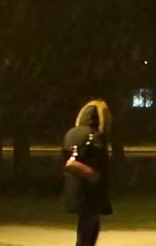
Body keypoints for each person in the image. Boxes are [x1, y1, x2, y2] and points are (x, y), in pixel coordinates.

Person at [62, 99, 112, 246]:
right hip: (90, 190)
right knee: (88, 231)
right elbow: (98, 161)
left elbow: (66, 157)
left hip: (75, 186)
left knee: (85, 228)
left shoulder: (71, 134)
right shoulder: (95, 136)